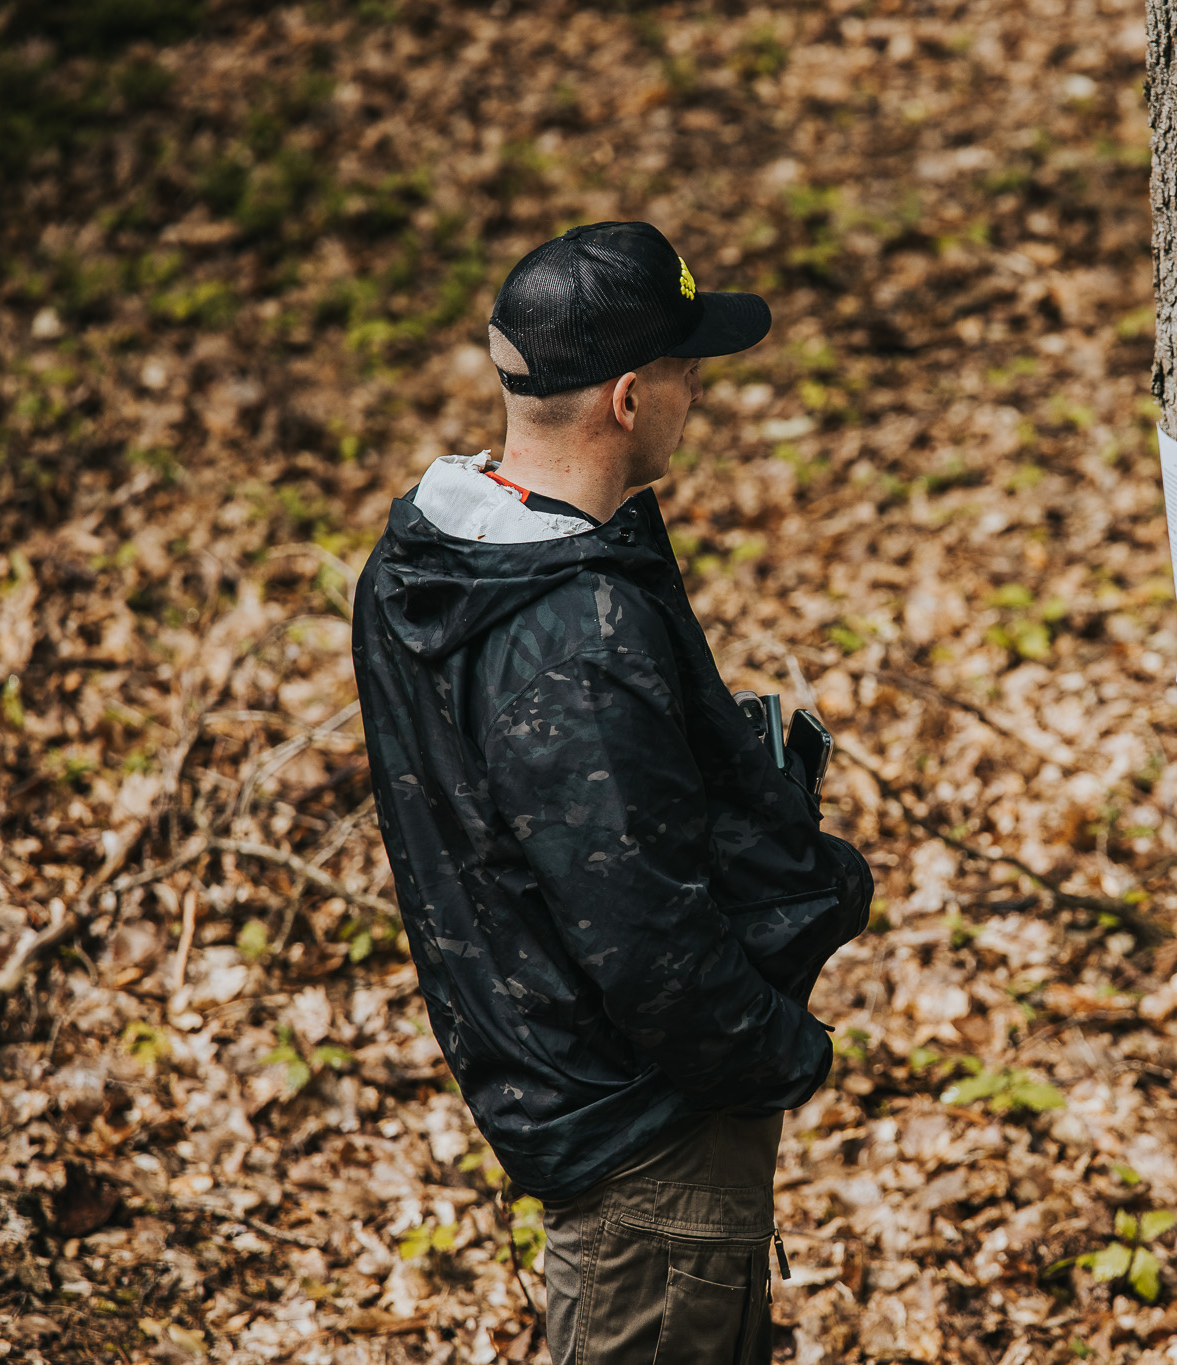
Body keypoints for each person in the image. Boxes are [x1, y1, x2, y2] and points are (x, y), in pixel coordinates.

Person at [351, 221, 872, 1365]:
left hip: (576, 1090)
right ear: (629, 398)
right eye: (689, 374)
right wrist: (782, 1056)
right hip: (650, 1143)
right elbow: (644, 936)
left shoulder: (426, 562)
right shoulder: (570, 636)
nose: (700, 398)